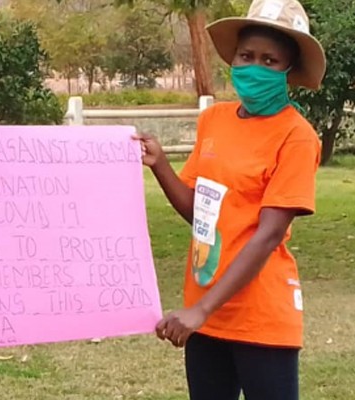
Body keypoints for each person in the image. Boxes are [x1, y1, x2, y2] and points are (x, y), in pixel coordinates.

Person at [136, 0, 326, 399]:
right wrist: (160, 166)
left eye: (270, 60)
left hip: (260, 315)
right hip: (204, 309)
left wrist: (202, 310)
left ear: (289, 72)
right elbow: (202, 214)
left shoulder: (296, 136)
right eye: (247, 56)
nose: (255, 67)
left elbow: (269, 234)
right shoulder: (214, 120)